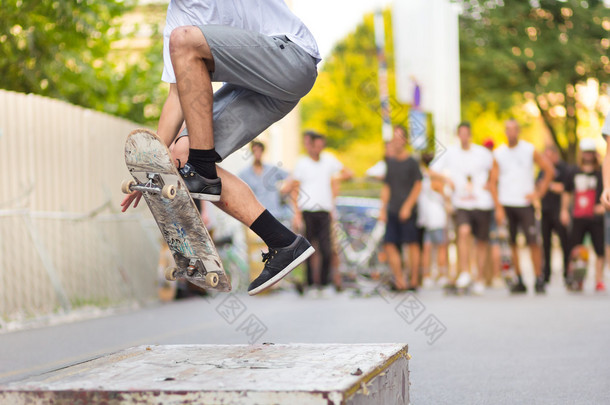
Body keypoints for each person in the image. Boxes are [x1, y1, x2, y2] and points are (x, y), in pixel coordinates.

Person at [120, 0, 320, 296]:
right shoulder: (178, 17)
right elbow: (178, 93)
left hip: (290, 55)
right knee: (179, 156)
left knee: (184, 42)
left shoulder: (183, 35)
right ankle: (283, 242)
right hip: (262, 89)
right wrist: (152, 168)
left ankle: (201, 169)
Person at [431, 122, 499, 295]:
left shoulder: (482, 153)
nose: (463, 137)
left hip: (482, 202)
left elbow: (495, 167)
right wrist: (448, 180)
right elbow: (431, 171)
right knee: (463, 232)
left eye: (466, 133)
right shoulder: (451, 152)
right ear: (457, 135)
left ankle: (480, 278)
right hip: (461, 202)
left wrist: (490, 184)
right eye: (460, 133)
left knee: (482, 241)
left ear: (470, 135)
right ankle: (464, 272)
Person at [494, 119, 553, 293]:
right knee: (512, 242)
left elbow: (548, 170)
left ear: (518, 131)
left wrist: (538, 193)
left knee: (533, 241)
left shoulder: (529, 149)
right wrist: (498, 207)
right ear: (505, 132)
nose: (511, 133)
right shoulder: (499, 153)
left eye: (514, 129)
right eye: (508, 129)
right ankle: (518, 278)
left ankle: (538, 277)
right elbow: (492, 181)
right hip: (507, 203)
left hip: (525, 203)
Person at [290, 131, 352, 294]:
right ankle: (310, 284)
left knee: (326, 248)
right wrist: (296, 213)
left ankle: (324, 284)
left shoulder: (328, 161)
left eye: (320, 146)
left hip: (324, 211)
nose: (318, 149)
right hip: (307, 210)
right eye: (315, 145)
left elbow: (348, 173)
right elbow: (295, 188)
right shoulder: (302, 163)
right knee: (308, 248)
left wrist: (334, 179)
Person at [379, 126, 423, 291]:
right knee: (390, 244)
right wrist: (383, 208)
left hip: (408, 210)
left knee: (412, 244)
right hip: (392, 209)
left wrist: (408, 206)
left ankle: (413, 280)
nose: (397, 142)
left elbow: (418, 185)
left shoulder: (412, 162)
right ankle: (399, 279)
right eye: (394, 138)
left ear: (405, 140)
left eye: (399, 138)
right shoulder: (390, 162)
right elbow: (387, 186)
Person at [561, 138, 605, 291]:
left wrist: (604, 207)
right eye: (585, 152)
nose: (588, 155)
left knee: (600, 249)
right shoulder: (573, 171)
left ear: (594, 154)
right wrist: (564, 211)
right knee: (576, 249)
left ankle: (599, 280)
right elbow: (566, 192)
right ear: (581, 153)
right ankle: (577, 279)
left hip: (595, 217)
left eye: (590, 152)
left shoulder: (601, 173)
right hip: (578, 216)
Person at [537, 145, 571, 284]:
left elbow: (565, 188)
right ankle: (546, 274)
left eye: (550, 155)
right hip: (545, 211)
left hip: (559, 211)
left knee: (564, 243)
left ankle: (567, 272)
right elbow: (539, 186)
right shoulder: (542, 170)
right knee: (546, 244)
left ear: (555, 155)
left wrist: (549, 185)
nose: (547, 158)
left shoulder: (564, 169)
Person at [418, 153, 450, 288]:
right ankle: (441, 275)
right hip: (437, 217)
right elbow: (444, 194)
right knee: (441, 246)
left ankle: (427, 276)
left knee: (427, 247)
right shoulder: (435, 178)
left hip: (426, 217)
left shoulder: (422, 177)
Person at [238, 141, 291, 225]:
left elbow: (290, 176)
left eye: (260, 151)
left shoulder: (272, 169)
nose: (258, 154)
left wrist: (284, 189)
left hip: (274, 214)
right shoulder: (245, 173)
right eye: (255, 151)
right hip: (255, 216)